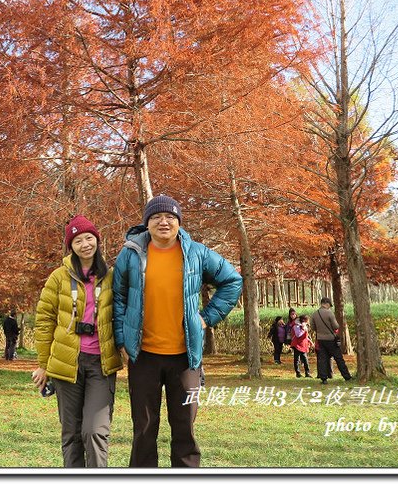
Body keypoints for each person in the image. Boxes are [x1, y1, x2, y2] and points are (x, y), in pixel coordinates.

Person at [113, 195, 243, 468]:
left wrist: (207, 318)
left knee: (184, 429)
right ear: (146, 222)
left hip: (186, 358)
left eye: (170, 217)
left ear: (178, 222)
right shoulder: (131, 253)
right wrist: (122, 339)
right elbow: (118, 298)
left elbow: (232, 280)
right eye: (156, 217)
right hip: (143, 355)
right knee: (144, 430)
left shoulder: (196, 252)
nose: (164, 222)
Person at [33, 215, 122, 467]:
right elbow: (44, 321)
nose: (85, 244)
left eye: (89, 238)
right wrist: (43, 364)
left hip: (101, 364)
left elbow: (126, 313)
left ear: (97, 240)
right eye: (78, 240)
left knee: (95, 431)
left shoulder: (111, 277)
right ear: (70, 246)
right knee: (71, 433)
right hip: (66, 364)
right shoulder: (58, 277)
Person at [313, 297, 352, 384]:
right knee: (338, 358)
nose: (329, 307)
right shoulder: (329, 313)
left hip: (320, 339)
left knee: (322, 359)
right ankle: (347, 376)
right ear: (326, 304)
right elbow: (336, 326)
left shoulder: (315, 314)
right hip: (331, 339)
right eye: (329, 305)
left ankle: (323, 378)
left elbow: (313, 327)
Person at [290, 313, 312, 378]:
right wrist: (303, 329)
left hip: (303, 344)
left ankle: (307, 373)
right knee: (297, 359)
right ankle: (298, 373)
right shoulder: (296, 325)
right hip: (297, 344)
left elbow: (306, 335)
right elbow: (298, 335)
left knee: (305, 359)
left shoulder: (304, 325)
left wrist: (310, 342)